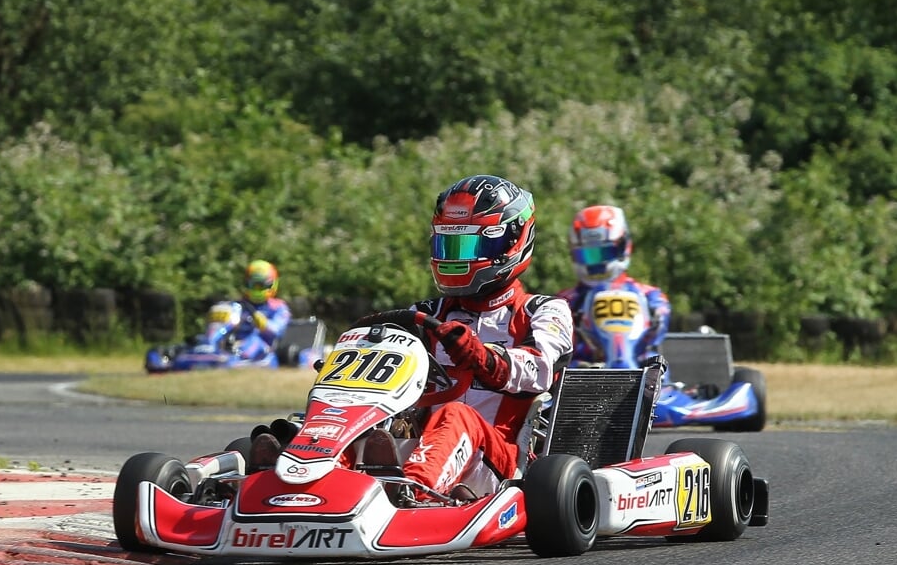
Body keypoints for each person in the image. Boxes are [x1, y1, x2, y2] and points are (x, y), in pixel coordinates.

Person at [253, 175, 573, 503]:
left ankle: (411, 493)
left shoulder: (543, 310)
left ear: (511, 241)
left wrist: (480, 355)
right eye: (447, 245)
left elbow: (539, 369)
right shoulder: (425, 313)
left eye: (466, 246)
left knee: (455, 414)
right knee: (362, 412)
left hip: (495, 461)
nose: (454, 257)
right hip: (421, 444)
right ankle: (302, 483)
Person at [558, 204, 671, 366]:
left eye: (603, 253)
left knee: (660, 372)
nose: (595, 263)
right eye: (588, 255)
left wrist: (657, 315)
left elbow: (657, 334)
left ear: (623, 247)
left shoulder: (650, 296)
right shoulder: (564, 301)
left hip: (640, 367)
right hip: (582, 373)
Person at [229, 259, 292, 359]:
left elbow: (278, 330)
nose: (257, 289)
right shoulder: (237, 305)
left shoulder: (279, 307)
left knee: (253, 342)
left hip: (264, 346)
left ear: (271, 285)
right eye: (254, 285)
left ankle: (238, 357)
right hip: (235, 343)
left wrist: (264, 324)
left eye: (260, 286)